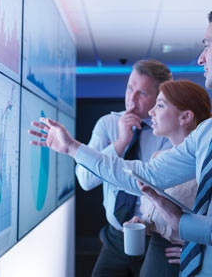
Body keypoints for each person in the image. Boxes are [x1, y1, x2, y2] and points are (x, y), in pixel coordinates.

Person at [29, 1, 212, 277]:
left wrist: (192, 228)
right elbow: (144, 175)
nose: (200, 57)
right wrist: (72, 147)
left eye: (207, 45)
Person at [75, 59, 172, 276]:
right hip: (115, 236)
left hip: (154, 237)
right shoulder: (107, 124)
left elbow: (162, 186)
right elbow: (85, 180)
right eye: (130, 88)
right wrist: (119, 143)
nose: (132, 98)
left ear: (159, 97)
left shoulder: (168, 131)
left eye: (142, 93)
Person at [131, 79, 212, 277]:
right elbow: (159, 214)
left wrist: (199, 248)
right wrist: (143, 222)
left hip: (176, 259)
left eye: (160, 105)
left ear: (185, 116)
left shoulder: (205, 166)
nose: (151, 112)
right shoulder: (158, 158)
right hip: (154, 253)